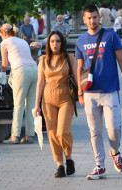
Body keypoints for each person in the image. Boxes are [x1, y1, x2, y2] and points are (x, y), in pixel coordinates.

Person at [75, 4, 122, 180]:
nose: (92, 21)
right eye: (89, 18)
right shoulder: (81, 41)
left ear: (99, 17)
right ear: (84, 20)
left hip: (110, 90)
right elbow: (79, 68)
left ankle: (115, 151)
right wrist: (79, 92)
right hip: (90, 92)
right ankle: (99, 166)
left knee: (113, 129)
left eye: (95, 17)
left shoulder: (111, 36)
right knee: (94, 131)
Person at [34, 31, 78, 178]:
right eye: (52, 41)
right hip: (48, 100)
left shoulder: (69, 58)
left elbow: (77, 80)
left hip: (66, 98)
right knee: (52, 134)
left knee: (62, 132)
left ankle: (69, 157)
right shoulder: (43, 60)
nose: (55, 44)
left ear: (62, 43)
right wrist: (37, 105)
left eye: (58, 41)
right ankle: (60, 164)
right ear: (48, 43)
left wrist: (82, 96)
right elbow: (40, 83)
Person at [0, 23, 38, 144]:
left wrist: (2, 73)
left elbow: (5, 63)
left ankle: (14, 136)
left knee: (18, 105)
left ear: (4, 33)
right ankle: (29, 136)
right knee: (31, 106)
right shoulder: (23, 41)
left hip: (21, 72)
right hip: (34, 70)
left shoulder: (4, 43)